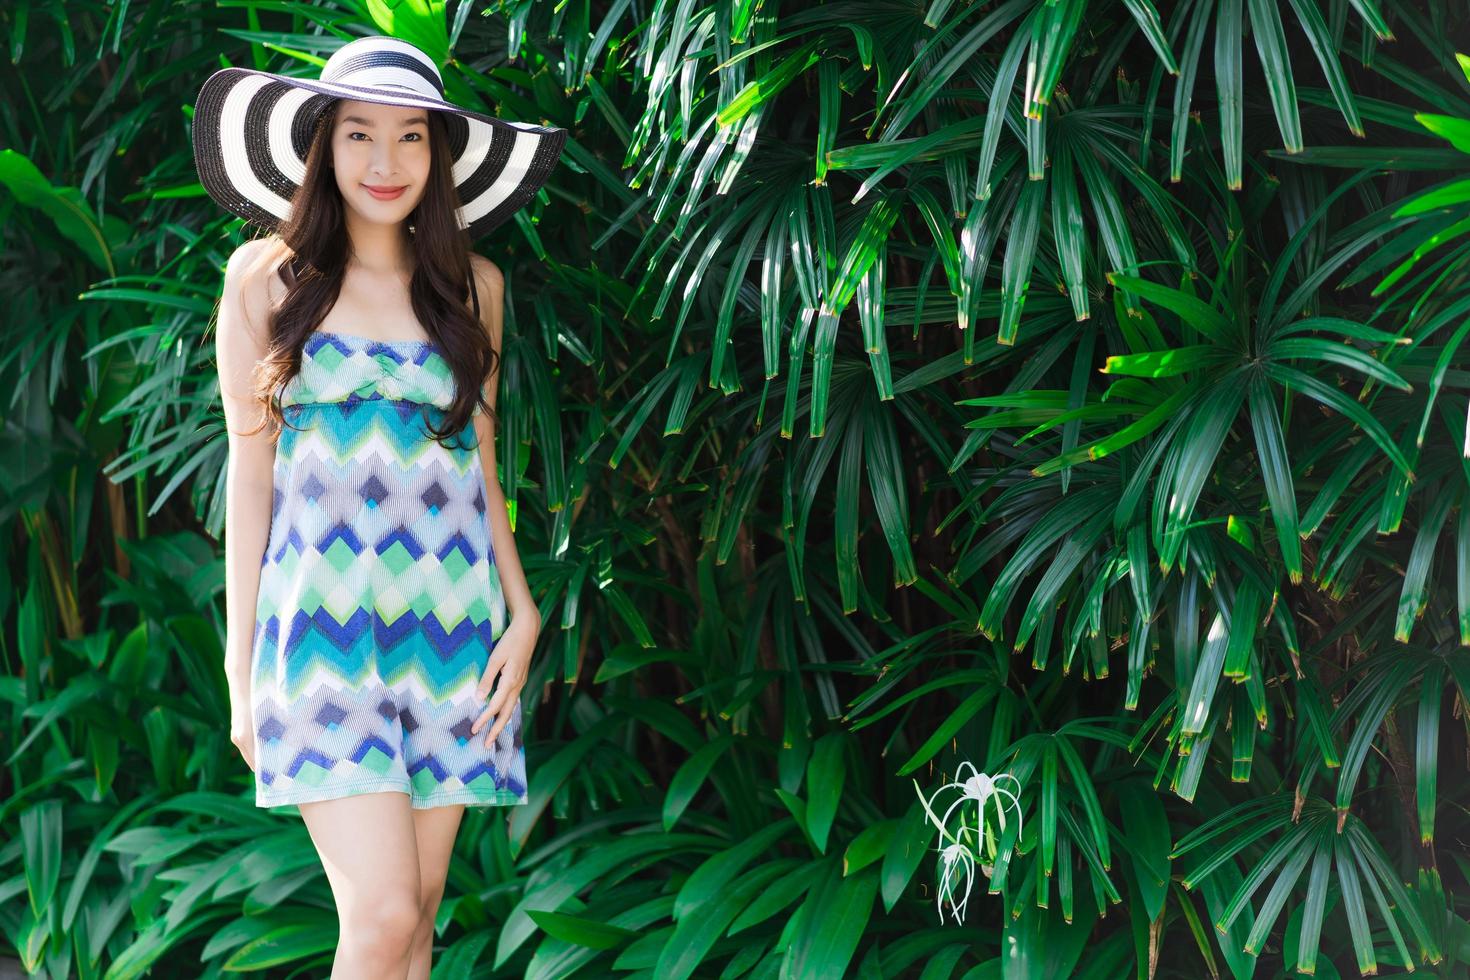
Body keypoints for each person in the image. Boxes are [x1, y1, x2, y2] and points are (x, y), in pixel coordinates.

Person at [191, 35, 568, 978]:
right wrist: (240, 674)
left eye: (410, 138)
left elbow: (478, 463)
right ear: (324, 146)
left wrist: (521, 609)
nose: (384, 162)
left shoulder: (472, 290)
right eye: (359, 134)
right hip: (319, 632)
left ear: (439, 155)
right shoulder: (265, 282)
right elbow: (251, 478)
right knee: (384, 911)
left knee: (420, 920)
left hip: (450, 625)